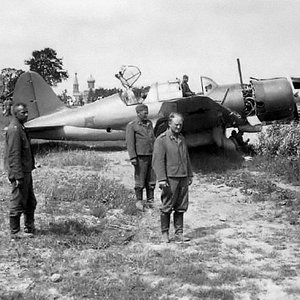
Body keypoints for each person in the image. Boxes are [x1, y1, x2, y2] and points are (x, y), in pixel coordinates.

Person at [152, 112, 193, 243]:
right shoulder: (161, 140)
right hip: (170, 179)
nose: (178, 127)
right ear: (169, 124)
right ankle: (165, 233)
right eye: (176, 125)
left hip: (183, 177)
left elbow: (186, 158)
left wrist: (189, 174)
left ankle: (179, 233)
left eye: (181, 125)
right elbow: (157, 161)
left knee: (181, 206)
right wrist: (162, 179)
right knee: (167, 206)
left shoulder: (182, 138)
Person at [4, 103, 37, 239]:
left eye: (27, 112)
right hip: (20, 172)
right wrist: (17, 176)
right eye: (23, 113)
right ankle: (15, 231)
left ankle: (29, 227)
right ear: (16, 114)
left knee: (30, 201)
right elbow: (14, 154)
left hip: (26, 171)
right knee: (17, 201)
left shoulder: (21, 128)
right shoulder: (15, 130)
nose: (26, 115)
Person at [126, 104, 156, 211]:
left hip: (151, 155)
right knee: (140, 179)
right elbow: (130, 143)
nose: (146, 115)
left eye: (147, 113)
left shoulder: (149, 124)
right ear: (138, 113)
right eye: (144, 113)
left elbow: (153, 138)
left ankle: (150, 201)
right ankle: (139, 201)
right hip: (140, 157)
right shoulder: (132, 125)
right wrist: (133, 157)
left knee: (151, 179)